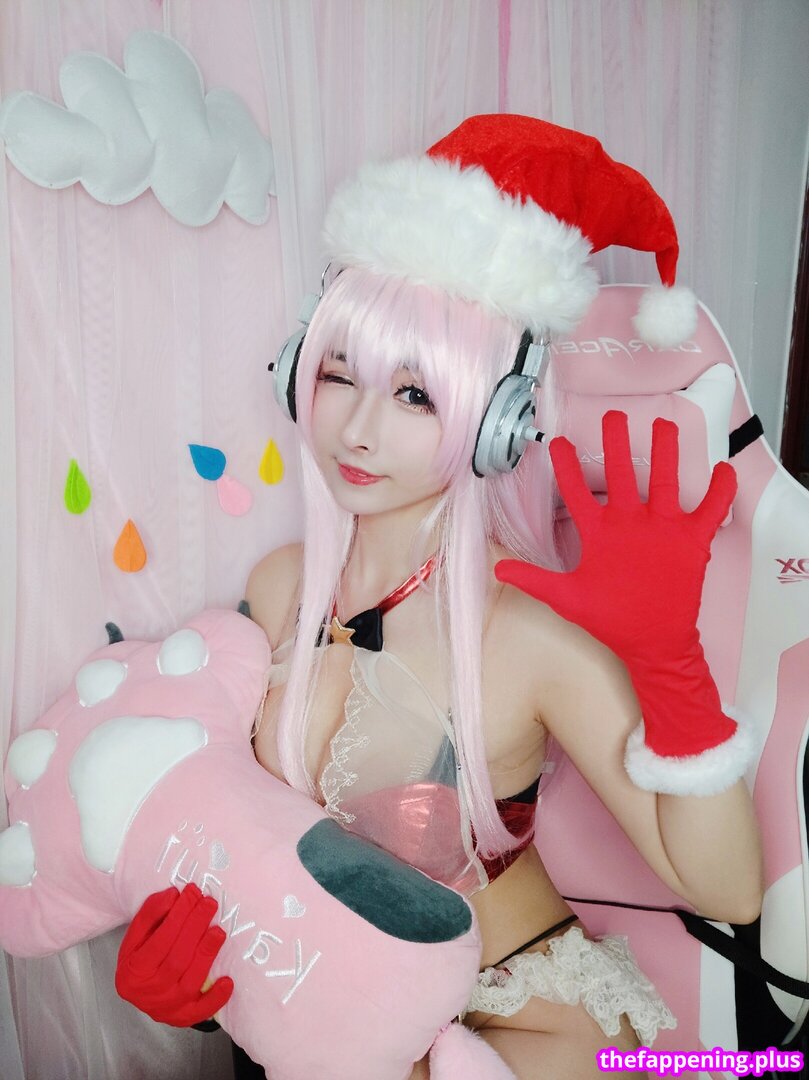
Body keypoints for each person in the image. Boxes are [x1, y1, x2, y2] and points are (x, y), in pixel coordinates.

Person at [118, 116, 763, 1080]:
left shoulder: (525, 633)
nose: (359, 430)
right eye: (339, 375)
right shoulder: (280, 587)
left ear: (499, 420)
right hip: (325, 1021)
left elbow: (731, 892)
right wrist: (202, 976)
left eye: (415, 396)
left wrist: (670, 665)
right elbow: (246, 838)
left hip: (517, 1032)